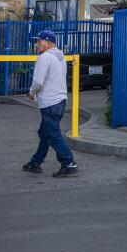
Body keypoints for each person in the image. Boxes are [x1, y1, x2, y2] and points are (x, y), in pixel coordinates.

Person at [22, 30, 79, 178]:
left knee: (52, 134)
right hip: (60, 100)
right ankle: (36, 162)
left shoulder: (44, 58)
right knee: (45, 133)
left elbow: (38, 81)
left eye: (40, 41)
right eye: (37, 41)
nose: (37, 44)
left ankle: (68, 163)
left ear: (48, 42)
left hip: (49, 102)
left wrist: (31, 93)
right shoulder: (60, 57)